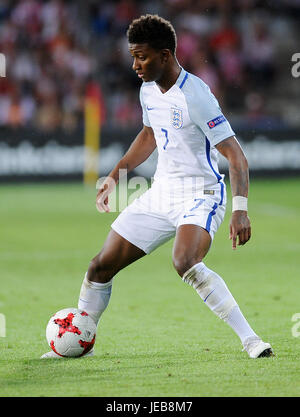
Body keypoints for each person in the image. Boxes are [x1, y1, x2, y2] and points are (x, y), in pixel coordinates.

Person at [42, 14, 273, 359]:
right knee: (99, 267)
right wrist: (118, 171)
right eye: (134, 56)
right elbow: (150, 133)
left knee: (185, 261)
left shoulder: (197, 96)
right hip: (161, 192)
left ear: (165, 55)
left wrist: (241, 210)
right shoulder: (148, 89)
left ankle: (251, 340)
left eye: (142, 56)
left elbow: (237, 157)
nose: (135, 64)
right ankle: (81, 342)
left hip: (201, 193)